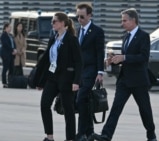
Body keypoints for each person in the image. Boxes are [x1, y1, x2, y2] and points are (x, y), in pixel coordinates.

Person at [93, 8, 157, 141]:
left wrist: (124, 58)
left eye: (124, 21)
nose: (122, 23)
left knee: (145, 110)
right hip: (124, 80)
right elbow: (124, 58)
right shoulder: (125, 36)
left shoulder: (143, 36)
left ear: (133, 20)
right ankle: (106, 135)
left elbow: (143, 57)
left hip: (139, 80)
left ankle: (151, 135)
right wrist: (114, 60)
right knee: (116, 108)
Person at [33, 12, 82, 141]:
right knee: (44, 104)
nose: (52, 23)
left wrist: (76, 81)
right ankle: (49, 136)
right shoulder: (53, 38)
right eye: (52, 21)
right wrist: (39, 80)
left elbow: (79, 62)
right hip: (52, 78)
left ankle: (70, 138)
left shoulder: (71, 39)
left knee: (68, 110)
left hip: (67, 79)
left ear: (62, 23)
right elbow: (46, 61)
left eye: (54, 21)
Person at [74, 3, 105, 141]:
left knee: (81, 99)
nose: (79, 19)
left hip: (91, 71)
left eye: (82, 16)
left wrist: (100, 72)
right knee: (84, 101)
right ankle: (89, 131)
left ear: (89, 16)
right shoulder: (76, 30)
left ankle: (81, 133)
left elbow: (100, 53)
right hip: (79, 72)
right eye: (77, 16)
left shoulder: (97, 31)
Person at [0, 22, 17, 88]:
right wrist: (12, 49)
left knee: (11, 68)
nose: (10, 29)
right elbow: (6, 44)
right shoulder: (3, 35)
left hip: (11, 54)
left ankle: (10, 81)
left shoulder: (11, 35)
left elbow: (13, 43)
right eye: (9, 27)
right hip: (6, 54)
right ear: (6, 28)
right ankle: (4, 82)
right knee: (5, 68)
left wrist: (15, 49)